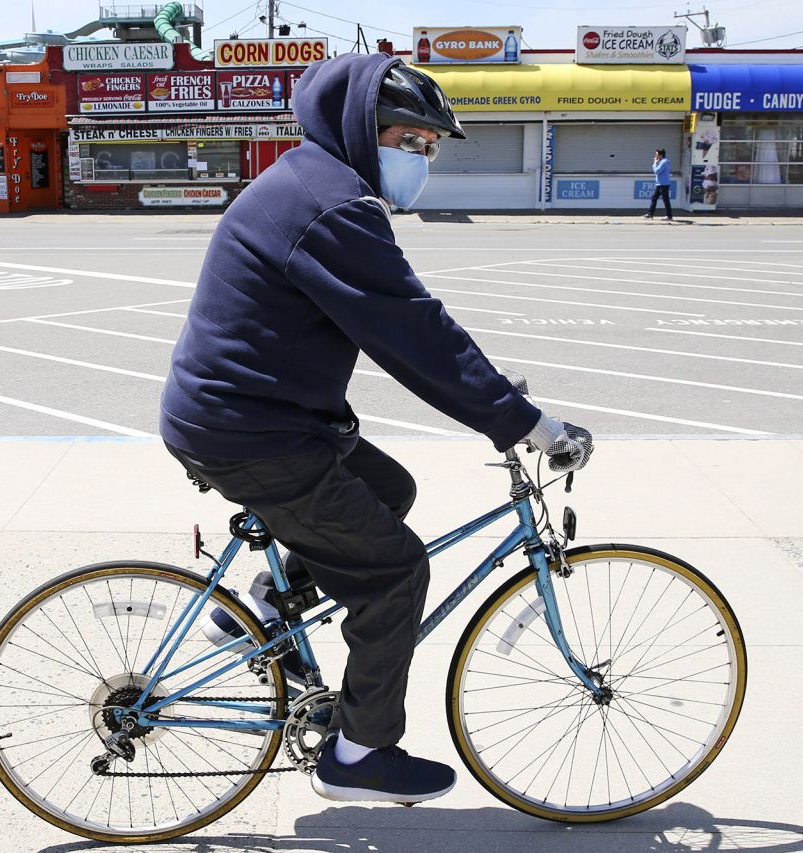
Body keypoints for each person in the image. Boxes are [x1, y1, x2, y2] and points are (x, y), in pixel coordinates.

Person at [160, 54, 592, 805]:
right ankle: (357, 755)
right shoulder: (332, 205)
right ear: (361, 128)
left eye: (431, 147)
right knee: (395, 571)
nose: (420, 157)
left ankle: (265, 605)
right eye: (408, 139)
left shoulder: (318, 182)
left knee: (390, 486)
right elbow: (414, 332)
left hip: (257, 415)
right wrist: (523, 422)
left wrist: (496, 404)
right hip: (253, 430)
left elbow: (407, 329)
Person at [645, 148, 673, 221]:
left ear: (661, 155)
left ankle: (669, 215)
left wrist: (654, 163)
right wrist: (657, 162)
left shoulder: (664, 162)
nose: (655, 156)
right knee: (654, 198)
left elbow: (657, 171)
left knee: (665, 200)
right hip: (660, 184)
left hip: (663, 184)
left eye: (657, 154)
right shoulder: (661, 161)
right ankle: (650, 214)